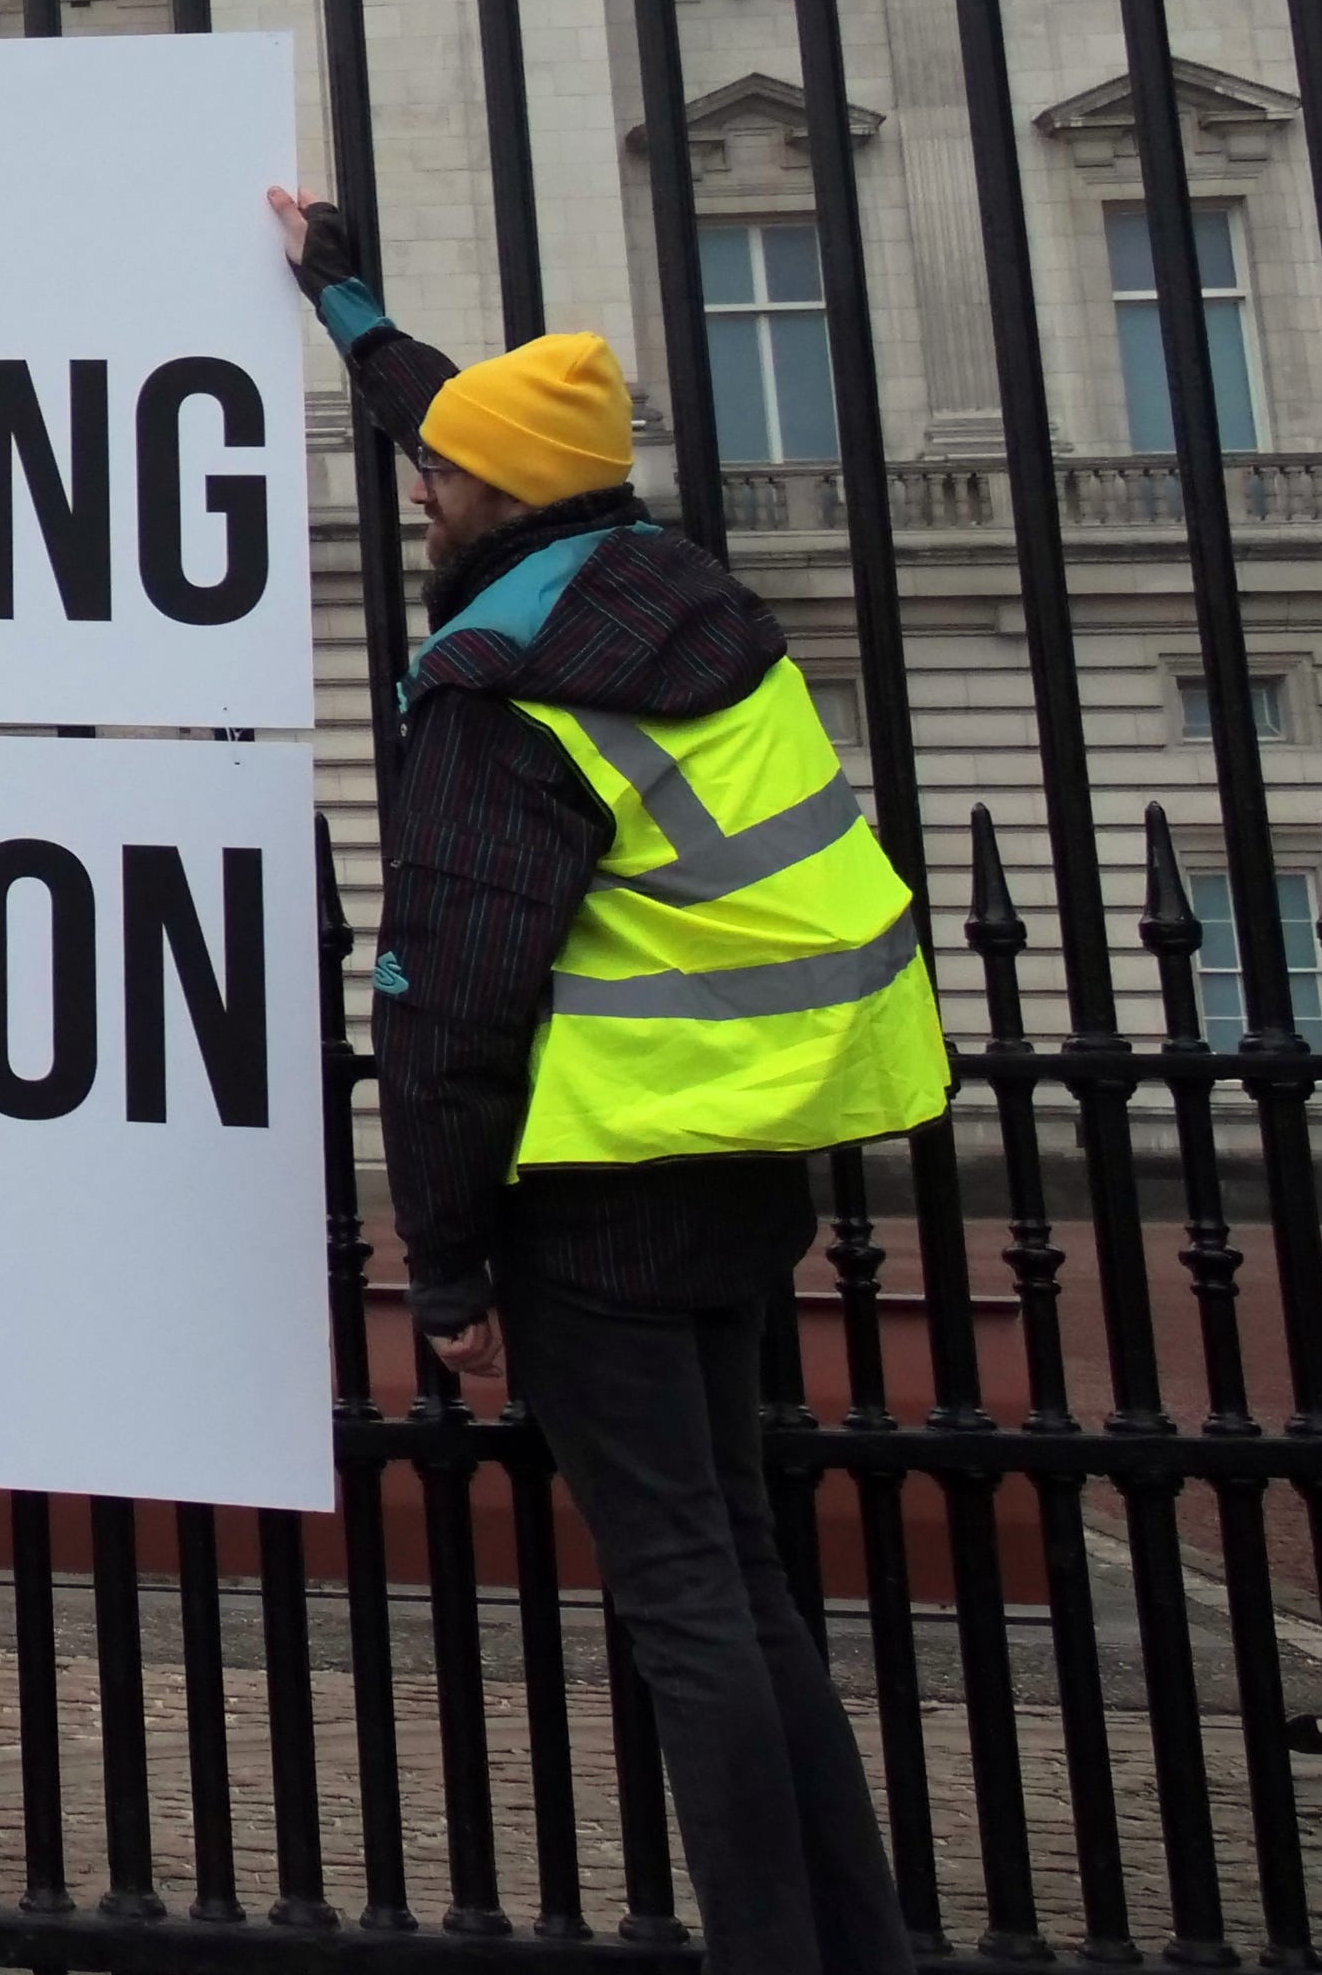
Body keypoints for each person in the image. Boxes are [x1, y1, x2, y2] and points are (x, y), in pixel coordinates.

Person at [270, 189, 944, 1975]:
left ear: (497, 502)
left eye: (439, 477)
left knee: (681, 1605)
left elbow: (449, 1011)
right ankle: (852, 1941)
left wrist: (455, 1275)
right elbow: (477, 426)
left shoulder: (506, 685)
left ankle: (772, 1954)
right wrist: (348, 299)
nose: (420, 488)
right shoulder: (676, 596)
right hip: (745, 1151)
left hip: (600, 1186)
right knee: (735, 1573)